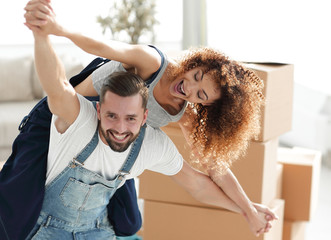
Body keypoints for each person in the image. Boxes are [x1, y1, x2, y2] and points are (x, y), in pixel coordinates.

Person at [22, 0, 278, 237]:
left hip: (112, 140)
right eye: (196, 76)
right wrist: (58, 29)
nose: (188, 88)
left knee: (129, 221)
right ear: (198, 62)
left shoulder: (184, 114)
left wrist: (248, 209)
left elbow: (214, 167)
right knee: (17, 207)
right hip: (65, 118)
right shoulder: (152, 63)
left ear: (206, 106)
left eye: (200, 95)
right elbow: (104, 46)